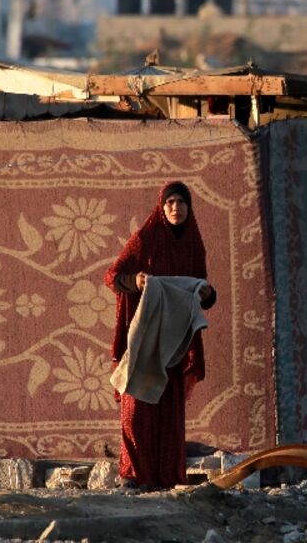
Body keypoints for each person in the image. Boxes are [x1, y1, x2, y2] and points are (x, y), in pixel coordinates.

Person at [105, 180, 216, 489]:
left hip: (176, 339)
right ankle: (133, 474)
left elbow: (201, 288)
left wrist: (207, 293)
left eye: (181, 203)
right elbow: (112, 276)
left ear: (189, 208)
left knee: (169, 408)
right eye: (170, 203)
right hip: (145, 334)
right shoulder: (146, 239)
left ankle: (167, 476)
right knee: (136, 404)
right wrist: (136, 281)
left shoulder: (194, 243)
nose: (175, 208)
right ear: (161, 207)